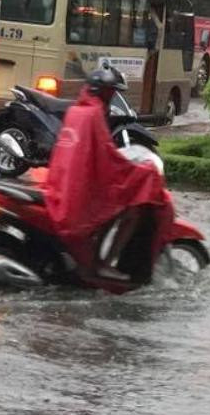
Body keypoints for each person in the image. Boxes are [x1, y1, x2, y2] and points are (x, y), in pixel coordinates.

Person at [43, 66, 169, 280]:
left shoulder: (75, 111)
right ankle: (103, 263)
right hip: (77, 195)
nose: (112, 98)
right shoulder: (93, 114)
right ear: (104, 93)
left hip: (59, 187)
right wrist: (140, 172)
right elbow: (107, 155)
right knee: (126, 210)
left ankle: (92, 261)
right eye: (111, 93)